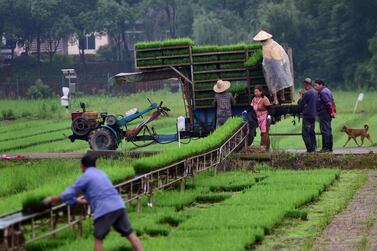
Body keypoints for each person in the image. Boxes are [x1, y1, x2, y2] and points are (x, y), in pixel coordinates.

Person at [43, 154, 143, 251]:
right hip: (119, 206)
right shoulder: (101, 173)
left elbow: (67, 194)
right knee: (130, 234)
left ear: (82, 166)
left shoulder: (85, 177)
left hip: (104, 210)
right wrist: (81, 201)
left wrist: (51, 199)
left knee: (98, 239)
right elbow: (101, 194)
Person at [253, 30, 294, 105]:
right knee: (281, 81)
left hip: (272, 67)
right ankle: (282, 96)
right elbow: (282, 56)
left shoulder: (266, 46)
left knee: (272, 83)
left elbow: (267, 59)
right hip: (280, 65)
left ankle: (275, 100)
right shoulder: (275, 44)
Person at [314, 79, 336, 152]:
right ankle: (330, 148)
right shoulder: (328, 90)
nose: (315, 87)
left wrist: (331, 112)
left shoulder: (322, 92)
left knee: (325, 131)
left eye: (316, 85)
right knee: (328, 130)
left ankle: (325, 148)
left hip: (324, 114)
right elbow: (333, 102)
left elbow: (328, 103)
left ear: (321, 85)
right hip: (328, 114)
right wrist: (333, 112)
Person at [298, 78, 317, 152]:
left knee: (305, 133)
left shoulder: (307, 93)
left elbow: (301, 104)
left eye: (304, 84)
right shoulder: (315, 92)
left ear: (306, 84)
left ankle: (310, 149)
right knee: (312, 132)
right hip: (314, 115)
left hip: (307, 115)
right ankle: (314, 148)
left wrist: (301, 96)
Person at [251, 85, 271, 151]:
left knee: (264, 132)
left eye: (257, 92)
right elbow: (251, 108)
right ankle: (267, 148)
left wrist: (269, 116)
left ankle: (263, 147)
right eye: (255, 92)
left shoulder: (264, 99)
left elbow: (269, 109)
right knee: (265, 133)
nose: (255, 93)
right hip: (257, 117)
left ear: (261, 92)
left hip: (265, 117)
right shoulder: (254, 99)